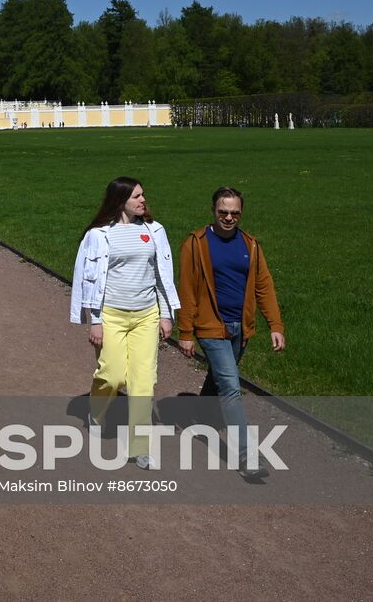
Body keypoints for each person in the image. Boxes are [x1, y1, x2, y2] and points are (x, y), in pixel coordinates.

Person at [177, 187, 287, 481]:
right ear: (213, 211)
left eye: (234, 213)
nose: (228, 218)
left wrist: (275, 326)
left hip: (241, 326)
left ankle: (201, 417)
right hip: (210, 325)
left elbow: (264, 287)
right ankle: (246, 455)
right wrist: (185, 332)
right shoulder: (196, 243)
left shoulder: (250, 244)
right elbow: (186, 290)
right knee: (230, 385)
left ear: (241, 213)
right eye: (223, 212)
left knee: (219, 377)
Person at [69, 177, 179, 469]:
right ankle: (96, 411)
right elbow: (88, 279)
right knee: (113, 375)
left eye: (143, 195)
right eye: (136, 197)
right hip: (112, 315)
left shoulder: (155, 231)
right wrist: (95, 320)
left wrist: (166, 314)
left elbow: (163, 276)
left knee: (143, 383)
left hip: (146, 315)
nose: (143, 201)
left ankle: (139, 447)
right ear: (120, 201)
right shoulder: (99, 235)